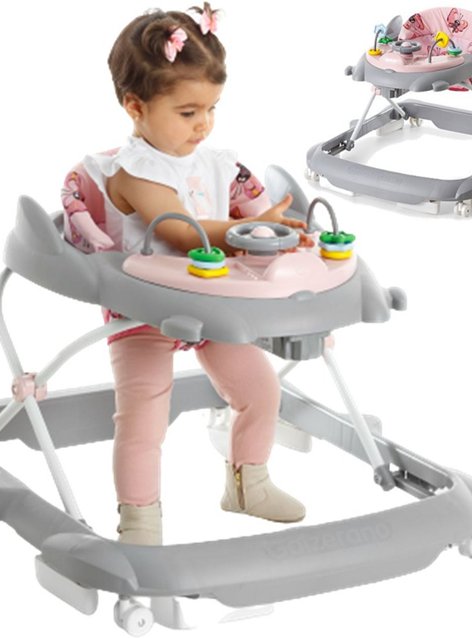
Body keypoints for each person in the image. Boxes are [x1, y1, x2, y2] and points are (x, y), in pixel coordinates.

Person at [61, 3, 307, 545]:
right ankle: (140, 522)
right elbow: (182, 231)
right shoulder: (134, 172)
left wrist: (280, 232)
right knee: (144, 419)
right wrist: (250, 227)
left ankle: (248, 485)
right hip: (143, 312)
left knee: (261, 389)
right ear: (136, 107)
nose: (204, 124)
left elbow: (249, 210)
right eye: (188, 111)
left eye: (212, 108)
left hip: (209, 306)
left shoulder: (215, 162)